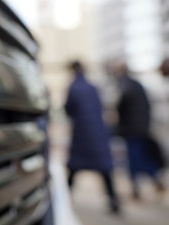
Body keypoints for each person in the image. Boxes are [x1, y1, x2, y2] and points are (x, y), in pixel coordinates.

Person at [64, 60, 120, 213]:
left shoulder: (73, 88)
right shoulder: (93, 87)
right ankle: (114, 201)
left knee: (74, 167)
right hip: (98, 133)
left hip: (81, 134)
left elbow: (68, 109)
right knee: (104, 168)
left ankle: (63, 200)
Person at [114, 61, 164, 199]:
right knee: (140, 158)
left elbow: (121, 106)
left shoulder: (126, 86)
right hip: (140, 128)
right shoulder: (136, 85)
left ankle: (138, 188)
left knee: (135, 160)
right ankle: (153, 181)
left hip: (132, 130)